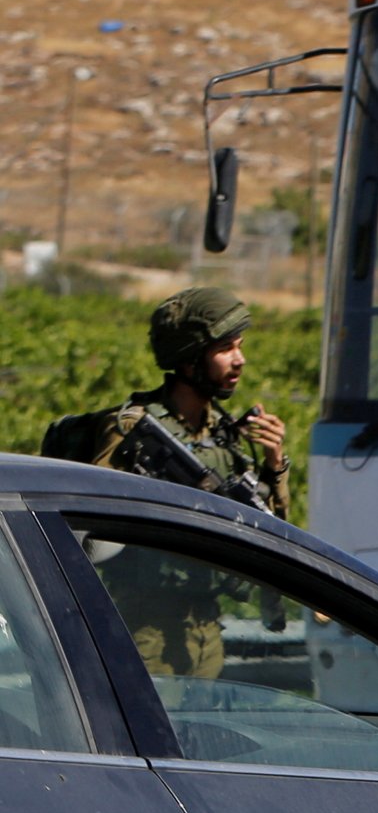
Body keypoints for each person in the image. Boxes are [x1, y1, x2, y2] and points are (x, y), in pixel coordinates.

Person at [53, 285, 289, 678]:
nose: (239, 360)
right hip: (146, 624)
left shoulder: (227, 435)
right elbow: (91, 517)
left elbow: (273, 526)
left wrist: (274, 464)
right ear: (190, 358)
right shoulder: (133, 430)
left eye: (240, 346)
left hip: (206, 625)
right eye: (226, 348)